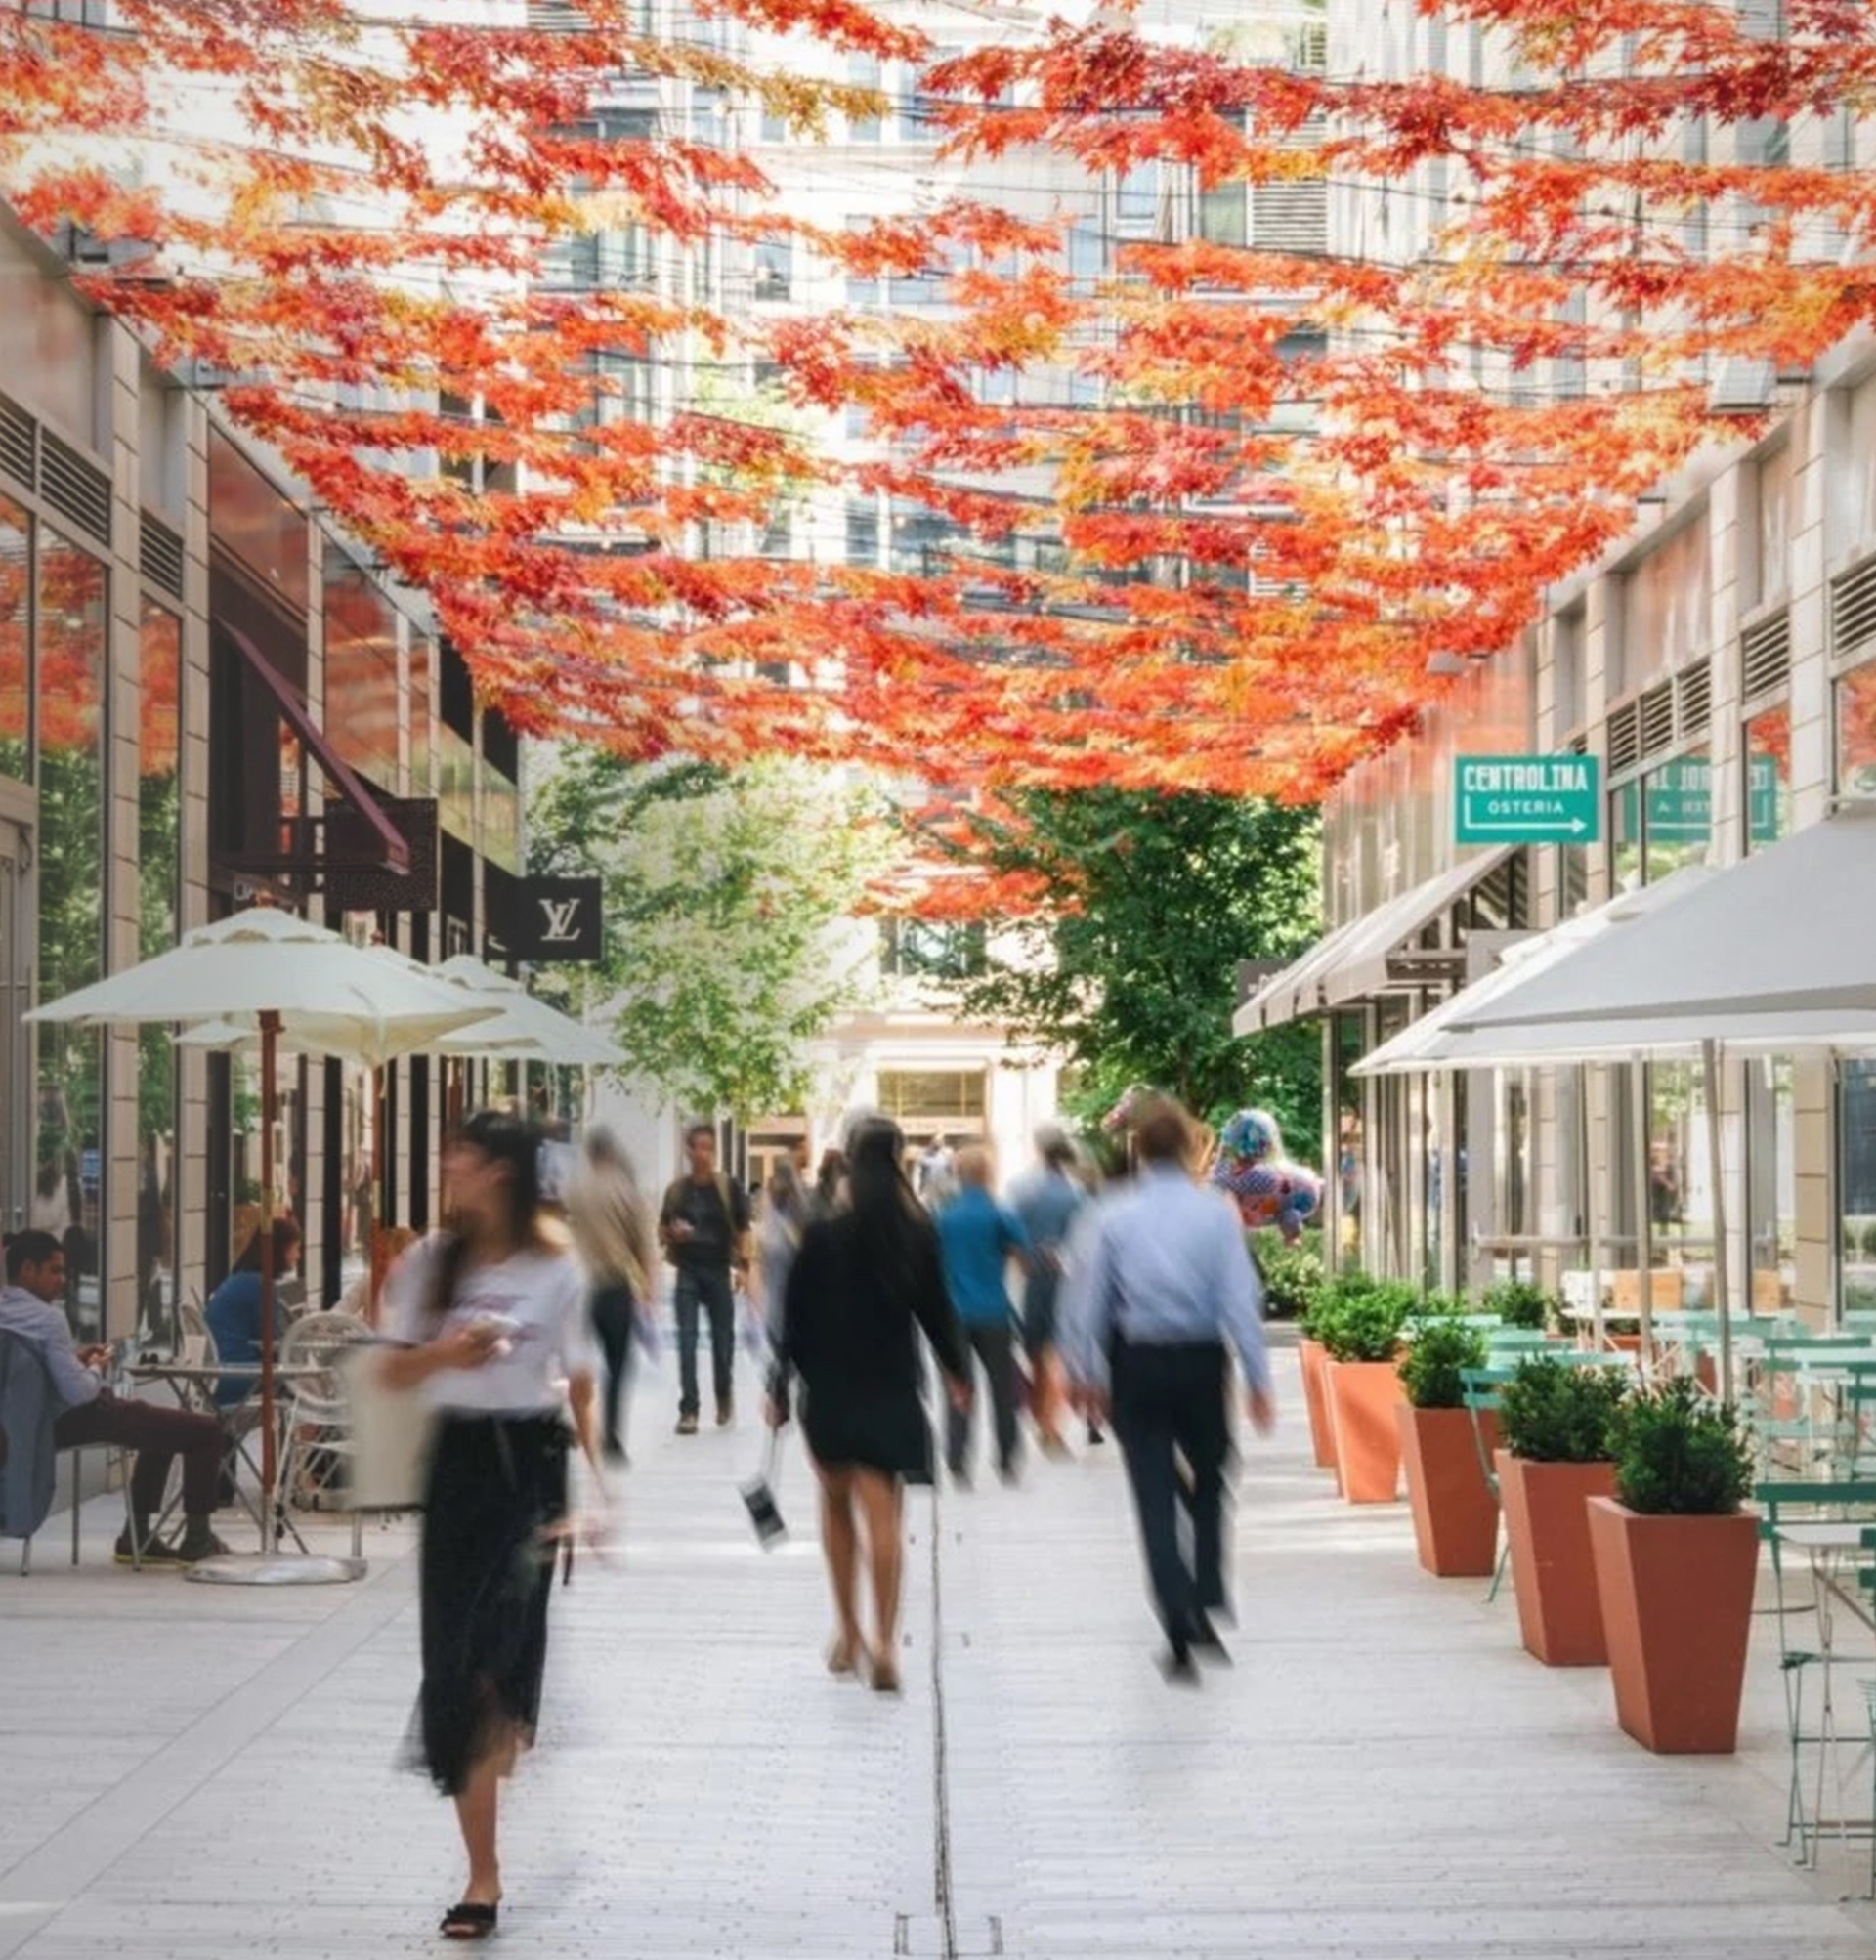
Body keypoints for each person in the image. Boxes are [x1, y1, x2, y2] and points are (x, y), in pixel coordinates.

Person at [376, 1110, 605, 1944]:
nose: (447, 1168)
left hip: (530, 1472)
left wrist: (596, 1487)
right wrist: (445, 1355)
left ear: (498, 1171)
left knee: (498, 1662)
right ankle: (484, 1871)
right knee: (459, 1669)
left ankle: (502, 1735)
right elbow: (388, 1369)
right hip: (459, 1468)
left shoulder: (555, 1270)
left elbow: (578, 1382)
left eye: (459, 1156)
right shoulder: (429, 1265)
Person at [1062, 1095, 1276, 1683]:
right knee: (1212, 1476)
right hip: (1203, 1363)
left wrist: (1085, 1375)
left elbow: (1090, 1301)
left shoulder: (1113, 1216)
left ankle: (1173, 1610)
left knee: (1153, 1491)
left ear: (1139, 1149)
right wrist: (1257, 1378)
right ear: (1186, 1147)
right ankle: (1205, 1586)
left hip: (1139, 1364)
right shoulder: (1215, 1215)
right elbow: (1240, 1300)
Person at [767, 1118, 971, 1690]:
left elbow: (792, 1318)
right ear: (899, 1160)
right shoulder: (916, 1233)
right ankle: (886, 1644)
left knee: (836, 1507)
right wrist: (958, 1371)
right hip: (891, 1386)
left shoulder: (821, 1235)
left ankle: (849, 1632)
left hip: (829, 1390)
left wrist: (778, 1385)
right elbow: (936, 1311)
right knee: (885, 1515)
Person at [0, 1229, 229, 1566]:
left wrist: (74, 1360)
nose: (62, 1280)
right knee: (205, 1430)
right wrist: (94, 1368)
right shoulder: (48, 1319)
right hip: (79, 1416)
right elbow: (78, 1394)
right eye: (55, 1270)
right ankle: (197, 1539)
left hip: (24, 1429)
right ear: (28, 1270)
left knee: (161, 1429)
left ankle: (137, 1536)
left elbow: (25, 1375)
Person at [935, 1146, 1033, 1486]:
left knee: (958, 1387)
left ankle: (957, 1459)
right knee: (1003, 1389)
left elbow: (932, 1264)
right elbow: (1025, 1260)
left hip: (953, 1314)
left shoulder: (944, 1216)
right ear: (988, 1174)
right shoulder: (1000, 1213)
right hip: (994, 1311)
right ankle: (1006, 1458)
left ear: (958, 1175)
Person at [567, 1129, 655, 1465]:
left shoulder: (576, 1189)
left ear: (590, 1155)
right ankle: (612, 1438)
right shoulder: (627, 1191)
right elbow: (644, 1244)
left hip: (579, 1286)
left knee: (576, 1360)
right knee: (617, 1365)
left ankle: (579, 1426)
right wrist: (649, 1288)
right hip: (616, 1288)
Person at [658, 1123, 752, 1434]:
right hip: (687, 1270)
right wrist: (672, 1232)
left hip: (717, 1269)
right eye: (698, 1147)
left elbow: (743, 1228)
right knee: (687, 1340)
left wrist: (744, 1267)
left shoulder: (728, 1187)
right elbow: (661, 1228)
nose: (704, 1154)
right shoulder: (678, 1191)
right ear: (687, 1150)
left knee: (723, 1342)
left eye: (709, 1148)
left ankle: (723, 1395)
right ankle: (689, 1410)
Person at [1007, 1125, 1086, 1457]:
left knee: (1037, 1352)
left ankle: (1043, 1421)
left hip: (1032, 1279)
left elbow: (1011, 1236)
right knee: (1057, 1355)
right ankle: (1050, 1427)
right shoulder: (1076, 1193)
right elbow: (1085, 1241)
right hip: (1065, 1281)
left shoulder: (1023, 1191)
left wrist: (1023, 1259)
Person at [205, 1217, 302, 1409]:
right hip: (240, 1375)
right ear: (281, 1249)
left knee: (300, 1381)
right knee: (306, 1386)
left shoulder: (242, 1279)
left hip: (215, 1375)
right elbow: (271, 1342)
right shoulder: (261, 1285)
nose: (298, 1255)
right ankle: (304, 1436)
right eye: (295, 1247)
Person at [754, 1157, 810, 1346]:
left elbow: (764, 1223)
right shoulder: (795, 1195)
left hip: (778, 1255)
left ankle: (778, 1341)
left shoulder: (772, 1193)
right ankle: (786, 1341)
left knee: (777, 1300)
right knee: (785, 1300)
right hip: (787, 1254)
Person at [808, 1146, 847, 1223]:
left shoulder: (846, 1193)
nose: (837, 1175)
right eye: (832, 1170)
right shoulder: (817, 1195)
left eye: (839, 1169)